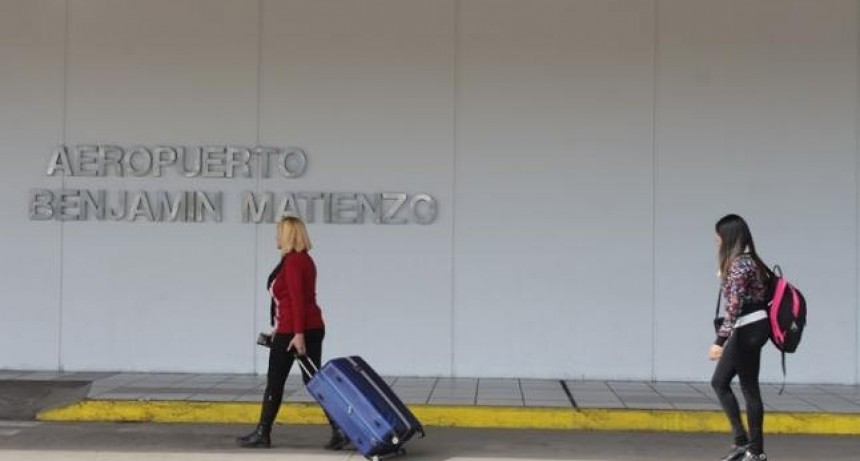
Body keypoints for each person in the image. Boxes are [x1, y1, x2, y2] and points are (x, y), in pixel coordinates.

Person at [236, 216, 348, 450]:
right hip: (301, 327)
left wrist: (297, 334)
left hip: (297, 331)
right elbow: (290, 300)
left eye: (279, 233)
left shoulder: (294, 262)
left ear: (288, 236)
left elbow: (297, 300)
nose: (276, 237)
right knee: (314, 381)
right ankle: (340, 430)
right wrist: (280, 326)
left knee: (276, 381)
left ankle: (263, 433)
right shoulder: (301, 259)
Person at [710, 214, 772, 461]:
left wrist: (720, 341)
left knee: (748, 387)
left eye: (719, 234)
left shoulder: (739, 265)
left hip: (748, 329)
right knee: (720, 382)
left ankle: (755, 451)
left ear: (729, 236)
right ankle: (743, 443)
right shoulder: (750, 261)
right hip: (752, 328)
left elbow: (734, 306)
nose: (716, 239)